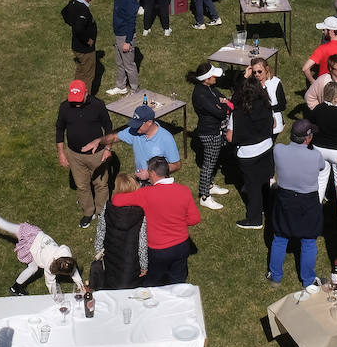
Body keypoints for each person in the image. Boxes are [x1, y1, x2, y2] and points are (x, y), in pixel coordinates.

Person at [111, 156, 201, 285]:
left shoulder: (146, 193)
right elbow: (195, 219)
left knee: (154, 283)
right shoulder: (184, 190)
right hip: (182, 246)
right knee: (178, 282)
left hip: (159, 250)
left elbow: (116, 200)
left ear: (152, 173)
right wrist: (178, 221)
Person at [267, 119, 330, 288]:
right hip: (307, 201)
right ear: (307, 139)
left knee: (280, 238)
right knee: (309, 240)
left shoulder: (278, 150)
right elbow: (322, 168)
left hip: (285, 199)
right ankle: (308, 280)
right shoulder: (315, 155)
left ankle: (275, 276)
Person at [0, 208, 84, 296]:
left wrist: (80, 285)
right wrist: (57, 298)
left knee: (5, 225)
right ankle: (15, 287)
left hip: (33, 234)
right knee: (33, 268)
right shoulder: (50, 267)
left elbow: (71, 267)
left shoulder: (65, 251)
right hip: (31, 246)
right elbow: (51, 284)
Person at [55, 79, 115, 228]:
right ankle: (88, 212)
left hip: (98, 153)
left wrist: (108, 148)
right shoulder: (65, 107)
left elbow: (108, 125)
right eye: (73, 100)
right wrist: (61, 153)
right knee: (82, 186)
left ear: (86, 93)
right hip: (75, 155)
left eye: (79, 99)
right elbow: (59, 130)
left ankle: (102, 212)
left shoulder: (98, 105)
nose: (76, 103)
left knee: (101, 184)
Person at [229, 74, 276, 231]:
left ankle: (255, 219)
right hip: (267, 147)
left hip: (248, 154)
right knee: (265, 181)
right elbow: (274, 123)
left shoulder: (238, 112)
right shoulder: (266, 104)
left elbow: (230, 137)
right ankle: (267, 208)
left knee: (253, 187)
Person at [86, 105, 182, 178]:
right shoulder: (134, 131)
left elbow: (176, 165)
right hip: (140, 181)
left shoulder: (166, 138)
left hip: (158, 183)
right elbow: (114, 137)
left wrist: (151, 174)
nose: (135, 127)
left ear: (149, 122)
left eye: (138, 124)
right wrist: (99, 140)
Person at [91, 171, 149, 289]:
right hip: (132, 261)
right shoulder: (141, 211)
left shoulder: (109, 207)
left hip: (111, 257)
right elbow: (142, 242)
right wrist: (144, 265)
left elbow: (101, 231)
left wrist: (99, 252)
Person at [188, 62, 232, 210]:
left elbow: (224, 99)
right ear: (206, 79)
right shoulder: (201, 94)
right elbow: (221, 112)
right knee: (208, 164)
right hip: (209, 133)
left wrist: (223, 103)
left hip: (215, 130)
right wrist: (224, 105)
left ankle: (210, 185)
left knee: (213, 161)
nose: (216, 78)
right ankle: (204, 195)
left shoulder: (209, 88)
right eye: (214, 76)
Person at [104, 0, 140, 96]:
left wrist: (128, 41)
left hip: (125, 36)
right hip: (119, 35)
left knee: (129, 65)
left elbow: (131, 22)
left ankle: (135, 90)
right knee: (119, 63)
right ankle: (121, 86)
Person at [61, 0, 98, 87]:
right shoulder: (83, 10)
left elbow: (64, 12)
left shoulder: (73, 2)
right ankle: (85, 99)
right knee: (88, 75)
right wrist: (88, 40)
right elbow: (78, 29)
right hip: (84, 49)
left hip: (76, 46)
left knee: (80, 71)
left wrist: (71, 22)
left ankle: (76, 94)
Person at [303, 17, 337, 84]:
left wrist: (313, 82)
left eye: (324, 30)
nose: (323, 32)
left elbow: (305, 68)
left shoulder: (322, 49)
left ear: (331, 31)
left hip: (325, 84)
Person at [250, 57, 286, 136]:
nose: (257, 74)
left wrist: (267, 108)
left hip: (274, 124)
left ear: (266, 69)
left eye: (259, 71)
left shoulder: (276, 83)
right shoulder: (251, 84)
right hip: (257, 122)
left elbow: (282, 106)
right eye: (254, 72)